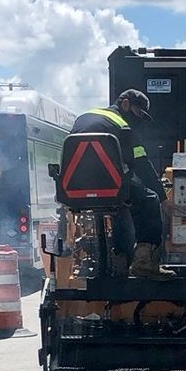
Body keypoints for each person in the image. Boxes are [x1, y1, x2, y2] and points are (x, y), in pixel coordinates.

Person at [70, 88, 166, 277]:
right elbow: (142, 166)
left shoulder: (83, 118)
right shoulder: (123, 126)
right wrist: (162, 196)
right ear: (125, 104)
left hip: (75, 189)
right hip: (108, 187)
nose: (137, 119)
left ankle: (120, 261)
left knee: (121, 205)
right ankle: (144, 263)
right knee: (149, 199)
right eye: (138, 113)